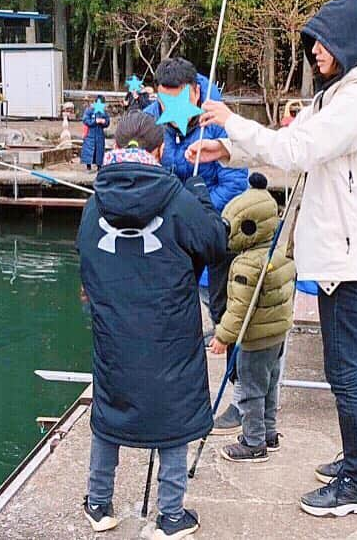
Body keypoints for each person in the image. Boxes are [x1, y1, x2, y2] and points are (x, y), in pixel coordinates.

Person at [187, 0, 357, 517]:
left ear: (348, 44)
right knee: (354, 362)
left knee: (345, 368)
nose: (315, 53)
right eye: (311, 45)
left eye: (323, 44)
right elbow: (295, 137)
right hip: (349, 249)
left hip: (350, 253)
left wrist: (228, 121)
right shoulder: (338, 95)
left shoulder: (356, 100)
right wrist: (229, 149)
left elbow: (297, 151)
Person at [77, 110, 227, 540]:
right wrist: (198, 191)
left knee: (110, 409)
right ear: (160, 151)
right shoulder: (179, 197)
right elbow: (216, 243)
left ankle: (98, 503)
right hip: (169, 331)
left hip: (113, 331)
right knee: (173, 414)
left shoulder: (95, 200)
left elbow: (85, 255)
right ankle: (170, 516)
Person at [144, 57, 248, 434]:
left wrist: (193, 213)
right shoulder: (155, 114)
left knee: (226, 313)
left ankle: (243, 399)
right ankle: (171, 390)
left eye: (174, 102)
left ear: (195, 91)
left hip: (220, 232)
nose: (166, 111)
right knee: (170, 307)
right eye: (161, 103)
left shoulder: (219, 122)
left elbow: (235, 187)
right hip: (175, 234)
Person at [208, 172, 295, 463]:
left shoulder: (246, 265)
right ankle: (269, 434)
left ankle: (253, 442)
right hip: (277, 335)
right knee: (269, 386)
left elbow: (238, 310)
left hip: (255, 339)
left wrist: (222, 337)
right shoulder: (280, 253)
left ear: (247, 228)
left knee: (251, 392)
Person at [80, 96, 109, 171]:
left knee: (99, 150)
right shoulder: (89, 110)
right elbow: (85, 120)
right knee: (89, 150)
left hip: (99, 134)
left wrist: (103, 122)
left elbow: (107, 122)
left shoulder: (104, 111)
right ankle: (88, 166)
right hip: (90, 133)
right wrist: (95, 121)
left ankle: (99, 166)